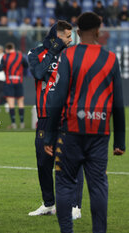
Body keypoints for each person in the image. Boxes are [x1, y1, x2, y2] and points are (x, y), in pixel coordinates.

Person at [44, 12, 126, 233]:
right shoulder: (111, 59)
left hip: (70, 131)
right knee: (98, 186)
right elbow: (118, 103)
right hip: (99, 133)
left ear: (78, 32)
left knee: (64, 183)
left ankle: (67, 231)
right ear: (99, 31)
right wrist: (120, 141)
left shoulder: (68, 56)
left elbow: (58, 97)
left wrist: (49, 136)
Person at [28, 20, 84, 218]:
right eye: (67, 36)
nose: (71, 40)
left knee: (72, 161)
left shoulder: (75, 54)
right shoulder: (35, 53)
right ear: (56, 36)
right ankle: (48, 203)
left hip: (69, 116)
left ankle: (75, 206)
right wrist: (53, 51)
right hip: (45, 117)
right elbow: (38, 73)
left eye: (71, 36)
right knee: (43, 163)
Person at [0, 42, 28, 129]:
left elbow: (0, 68)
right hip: (19, 81)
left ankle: (14, 124)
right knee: (20, 102)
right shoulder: (20, 55)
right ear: (13, 48)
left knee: (11, 104)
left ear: (6, 49)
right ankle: (22, 123)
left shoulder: (4, 57)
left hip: (9, 82)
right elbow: (26, 65)